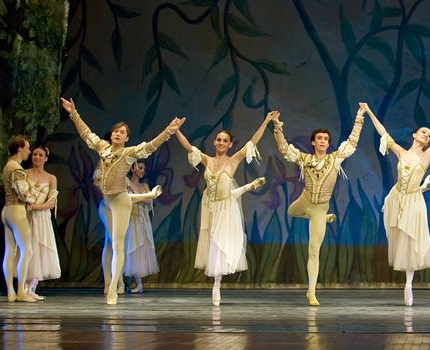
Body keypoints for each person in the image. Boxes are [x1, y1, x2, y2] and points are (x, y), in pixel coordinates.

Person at [60, 97, 183, 304]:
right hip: (106, 202)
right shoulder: (102, 147)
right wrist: (73, 113)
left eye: (122, 132)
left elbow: (152, 146)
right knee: (111, 242)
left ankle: (114, 288)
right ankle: (110, 283)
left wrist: (169, 130)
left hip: (121, 201)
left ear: (127, 138)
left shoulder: (129, 153)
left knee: (117, 244)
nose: (117, 133)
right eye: (115, 131)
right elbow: (86, 133)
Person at [272, 106, 366, 306]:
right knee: (290, 211)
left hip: (320, 208)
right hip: (304, 201)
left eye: (326, 139)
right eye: (320, 139)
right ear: (313, 142)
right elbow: (285, 149)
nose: (323, 141)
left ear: (328, 143)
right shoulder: (304, 159)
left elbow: (352, 143)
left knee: (314, 250)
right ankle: (319, 217)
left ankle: (311, 291)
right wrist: (277, 127)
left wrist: (358, 118)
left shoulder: (335, 159)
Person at [174, 114, 271, 306]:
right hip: (209, 206)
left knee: (220, 243)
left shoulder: (233, 161)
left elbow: (252, 142)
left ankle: (217, 285)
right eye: (218, 140)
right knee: (210, 241)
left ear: (230, 144)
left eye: (225, 141)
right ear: (214, 142)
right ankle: (215, 282)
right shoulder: (207, 160)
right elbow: (188, 146)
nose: (221, 143)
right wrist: (175, 130)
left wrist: (266, 121)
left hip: (226, 207)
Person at [363, 99, 430, 306]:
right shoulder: (401, 152)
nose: (427, 136)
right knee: (400, 238)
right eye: (423, 132)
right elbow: (383, 133)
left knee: (411, 240)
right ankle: (407, 282)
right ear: (414, 134)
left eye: (428, 135)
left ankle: (409, 283)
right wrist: (368, 111)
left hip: (414, 200)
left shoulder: (427, 155)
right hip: (397, 198)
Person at [1, 135, 37, 302]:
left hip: (7, 211)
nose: (29, 152)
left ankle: (10, 292)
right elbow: (22, 194)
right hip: (16, 210)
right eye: (27, 148)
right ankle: (21, 292)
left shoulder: (8, 166)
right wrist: (33, 199)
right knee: (27, 250)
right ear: (19, 149)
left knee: (10, 251)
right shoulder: (16, 168)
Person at [23, 146, 60, 301]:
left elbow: (51, 203)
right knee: (26, 248)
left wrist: (35, 207)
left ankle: (32, 287)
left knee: (39, 250)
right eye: (35, 154)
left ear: (45, 158)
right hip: (26, 215)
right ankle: (22, 288)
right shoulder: (24, 174)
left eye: (40, 155)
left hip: (41, 217)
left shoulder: (51, 178)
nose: (37, 157)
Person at [122, 161, 161, 294]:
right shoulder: (126, 185)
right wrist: (143, 197)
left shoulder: (144, 185)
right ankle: (128, 282)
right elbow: (126, 200)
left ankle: (138, 284)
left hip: (143, 220)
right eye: (140, 168)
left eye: (144, 168)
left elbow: (149, 201)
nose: (142, 170)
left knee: (141, 250)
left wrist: (138, 197)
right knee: (132, 249)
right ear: (133, 168)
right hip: (132, 220)